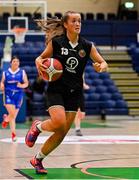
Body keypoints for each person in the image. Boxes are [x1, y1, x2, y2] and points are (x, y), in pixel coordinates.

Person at [25, 11, 108, 174]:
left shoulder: (87, 46)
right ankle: (38, 126)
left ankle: (38, 159)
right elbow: (40, 58)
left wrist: (101, 67)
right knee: (58, 122)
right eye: (74, 21)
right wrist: (38, 62)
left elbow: (103, 62)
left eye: (79, 21)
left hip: (74, 92)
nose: (78, 24)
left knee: (62, 133)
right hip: (56, 89)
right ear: (65, 24)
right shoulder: (57, 43)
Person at [0, 56, 29, 142]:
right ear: (11, 63)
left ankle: (6, 120)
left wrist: (22, 85)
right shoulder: (5, 72)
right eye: (14, 61)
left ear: (19, 63)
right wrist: (1, 85)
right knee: (12, 114)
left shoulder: (22, 72)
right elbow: (2, 82)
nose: (16, 63)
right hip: (8, 94)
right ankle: (13, 134)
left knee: (13, 116)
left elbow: (26, 83)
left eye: (17, 61)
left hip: (19, 95)